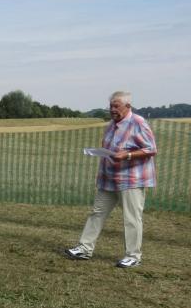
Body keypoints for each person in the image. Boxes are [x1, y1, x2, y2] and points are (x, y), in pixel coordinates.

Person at [65, 91, 157, 268]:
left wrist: (127, 155)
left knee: (131, 218)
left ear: (128, 106)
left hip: (131, 179)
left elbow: (151, 149)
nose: (112, 109)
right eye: (111, 106)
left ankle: (133, 256)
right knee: (97, 212)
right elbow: (107, 146)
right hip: (109, 178)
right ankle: (84, 248)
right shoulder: (111, 124)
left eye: (116, 106)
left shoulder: (138, 122)